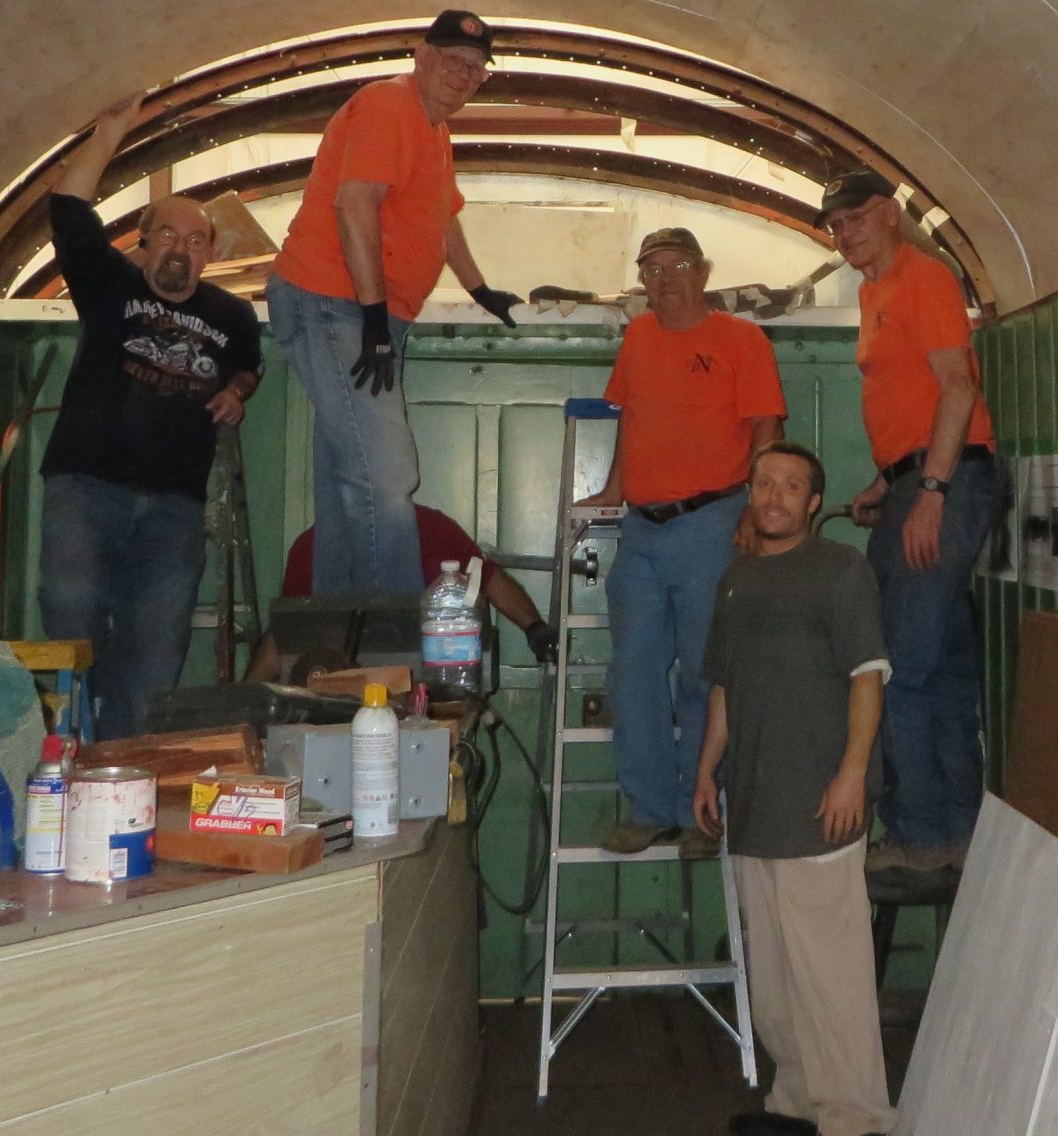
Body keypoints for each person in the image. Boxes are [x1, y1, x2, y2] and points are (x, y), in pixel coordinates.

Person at [694, 441, 896, 1136]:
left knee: (831, 977)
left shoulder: (842, 572)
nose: (774, 495)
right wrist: (707, 770)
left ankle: (859, 1129)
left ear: (814, 503)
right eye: (764, 483)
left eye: (791, 486)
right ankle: (800, 1102)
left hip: (821, 806)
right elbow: (724, 687)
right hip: (754, 804)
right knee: (776, 977)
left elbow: (868, 679)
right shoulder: (736, 580)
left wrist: (851, 776)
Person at [266, 10, 522, 596]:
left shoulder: (434, 130)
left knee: (345, 482)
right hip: (333, 302)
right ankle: (395, 628)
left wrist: (479, 289)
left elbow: (442, 219)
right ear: (421, 55)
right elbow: (353, 205)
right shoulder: (389, 106)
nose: (464, 75)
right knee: (387, 475)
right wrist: (375, 320)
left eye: (476, 68)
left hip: (364, 312)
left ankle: (333, 632)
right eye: (453, 60)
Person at [37, 96, 265, 739]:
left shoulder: (233, 315)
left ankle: (123, 767)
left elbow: (247, 367)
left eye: (195, 239)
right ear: (142, 242)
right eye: (167, 234)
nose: (180, 249)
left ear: (210, 252)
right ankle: (69, 746)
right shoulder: (110, 285)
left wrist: (237, 392)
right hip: (86, 487)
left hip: (174, 507)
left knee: (156, 652)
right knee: (71, 615)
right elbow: (68, 209)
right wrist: (110, 129)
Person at [578, 227, 785, 858]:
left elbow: (767, 427)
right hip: (641, 529)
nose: (665, 279)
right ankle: (647, 811)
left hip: (711, 524)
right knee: (632, 672)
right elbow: (631, 418)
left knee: (704, 672)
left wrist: (757, 507)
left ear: (703, 272)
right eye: (653, 268)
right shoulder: (638, 337)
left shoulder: (742, 340)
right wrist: (612, 489)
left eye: (678, 266)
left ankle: (702, 812)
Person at [817, 170, 1001, 875]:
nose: (845, 233)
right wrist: (887, 481)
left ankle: (920, 836)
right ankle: (961, 829)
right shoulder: (874, 291)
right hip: (915, 482)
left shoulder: (923, 278)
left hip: (945, 485)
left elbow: (958, 387)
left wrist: (930, 493)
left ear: (890, 214)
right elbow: (913, 401)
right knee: (944, 665)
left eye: (856, 218)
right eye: (836, 225)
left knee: (897, 668)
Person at [242, 505, 556, 683]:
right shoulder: (311, 546)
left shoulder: (433, 529)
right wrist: (246, 700)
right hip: (336, 689)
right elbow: (286, 634)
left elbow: (488, 579)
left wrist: (534, 627)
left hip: (430, 685)